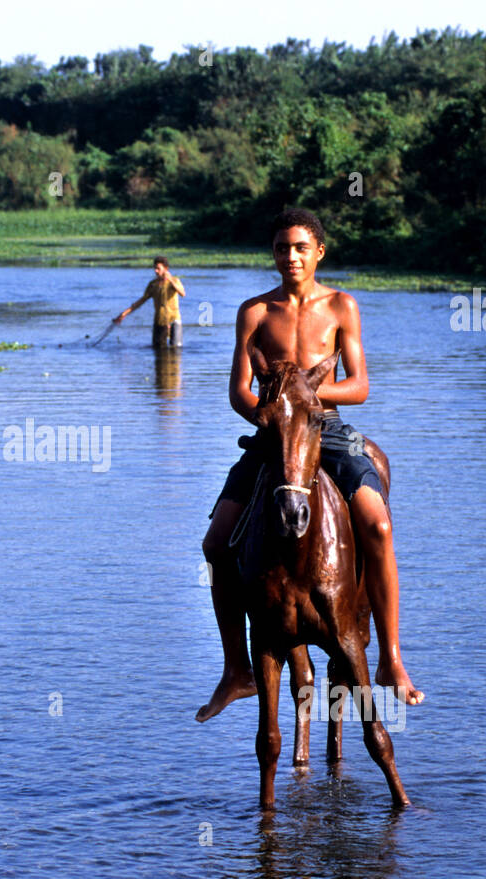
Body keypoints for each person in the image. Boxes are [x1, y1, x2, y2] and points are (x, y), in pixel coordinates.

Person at [196, 208, 425, 723]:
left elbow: (360, 385)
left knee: (377, 521)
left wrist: (304, 397)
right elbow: (238, 390)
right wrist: (272, 416)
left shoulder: (342, 306)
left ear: (319, 252)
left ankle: (391, 659)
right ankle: (237, 669)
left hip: (328, 428)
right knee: (215, 542)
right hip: (273, 432)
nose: (290, 256)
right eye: (281, 248)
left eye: (300, 247)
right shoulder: (255, 312)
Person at [115, 256, 185, 348]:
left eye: (158, 268)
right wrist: (124, 314)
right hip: (159, 321)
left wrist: (170, 279)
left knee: (176, 349)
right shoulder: (153, 285)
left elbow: (182, 293)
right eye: (155, 268)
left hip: (174, 320)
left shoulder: (175, 281)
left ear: (166, 269)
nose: (156, 271)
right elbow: (141, 301)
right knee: (158, 349)